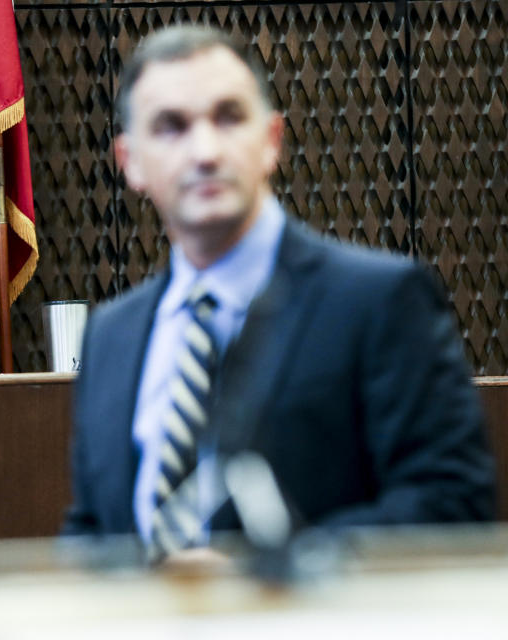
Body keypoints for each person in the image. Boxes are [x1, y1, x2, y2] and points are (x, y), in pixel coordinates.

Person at [63, 26, 495, 554]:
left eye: (228, 117)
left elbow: (452, 505)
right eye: (171, 126)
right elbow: (92, 532)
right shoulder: (111, 335)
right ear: (129, 161)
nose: (205, 151)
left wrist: (267, 575)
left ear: (271, 141)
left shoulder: (377, 300)